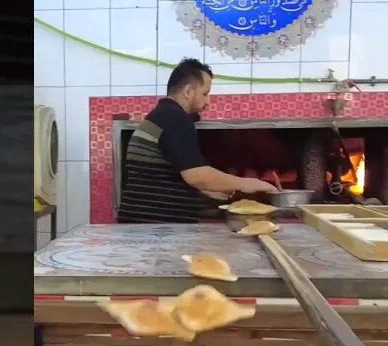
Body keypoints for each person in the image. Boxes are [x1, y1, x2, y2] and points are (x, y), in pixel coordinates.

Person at [117, 58, 277, 224]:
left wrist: (205, 190)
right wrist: (246, 183)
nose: (207, 101)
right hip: (157, 230)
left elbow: (161, 175)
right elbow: (196, 175)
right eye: (205, 93)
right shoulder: (175, 119)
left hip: (142, 224)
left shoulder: (161, 115)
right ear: (188, 91)